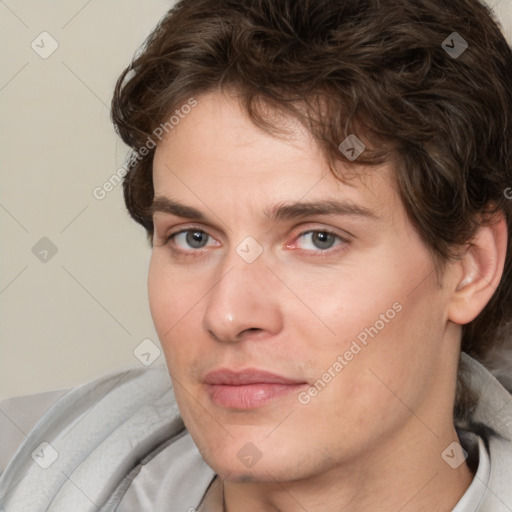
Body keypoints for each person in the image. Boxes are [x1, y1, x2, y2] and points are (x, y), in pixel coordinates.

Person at [1, 0, 512, 510]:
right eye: (193, 237)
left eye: (318, 239)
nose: (228, 314)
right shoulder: (26, 464)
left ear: (471, 266)